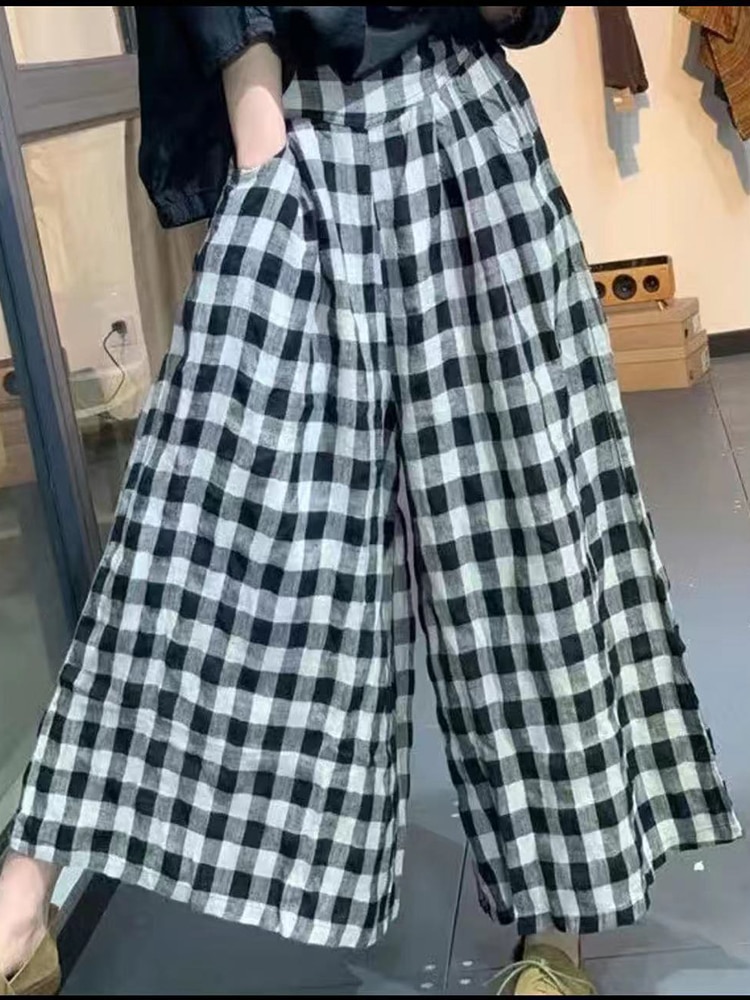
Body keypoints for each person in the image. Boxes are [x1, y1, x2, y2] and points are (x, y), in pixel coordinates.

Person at [0, 7, 740, 996]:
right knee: (196, 518)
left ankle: (558, 924)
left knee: (522, 530)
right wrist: (260, 136)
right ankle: (26, 893)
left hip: (463, 124)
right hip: (290, 127)